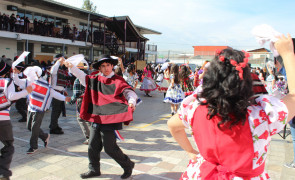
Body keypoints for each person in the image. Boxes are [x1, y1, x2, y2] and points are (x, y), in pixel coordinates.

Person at [167, 34, 295, 179]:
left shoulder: (194, 109)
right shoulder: (262, 116)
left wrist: (190, 151)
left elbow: (172, 125)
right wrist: (288, 53)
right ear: (246, 82)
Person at [64, 54, 137, 179]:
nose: (106, 68)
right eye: (103, 66)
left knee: (110, 148)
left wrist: (131, 101)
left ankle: (127, 164)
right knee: (92, 145)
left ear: (112, 66)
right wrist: (71, 67)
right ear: (100, 68)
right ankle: (94, 169)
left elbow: (129, 92)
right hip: (97, 117)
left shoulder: (118, 80)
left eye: (108, 65)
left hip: (110, 118)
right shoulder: (94, 79)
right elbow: (82, 77)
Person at [13, 66, 71, 154]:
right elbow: (17, 81)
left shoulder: (45, 84)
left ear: (37, 73)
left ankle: (33, 146)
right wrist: (15, 73)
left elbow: (53, 93)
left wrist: (64, 98)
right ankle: (45, 136)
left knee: (34, 127)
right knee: (29, 127)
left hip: (40, 109)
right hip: (31, 107)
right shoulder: (28, 82)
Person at [0, 60, 32, 180]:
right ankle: (3, 172)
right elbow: (12, 96)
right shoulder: (7, 81)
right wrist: (26, 92)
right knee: (8, 146)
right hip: (3, 118)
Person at [68, 61, 91, 145]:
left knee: (81, 119)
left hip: (82, 101)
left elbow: (77, 93)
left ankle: (89, 137)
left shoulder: (78, 79)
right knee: (88, 119)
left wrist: (70, 101)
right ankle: (94, 136)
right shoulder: (88, 76)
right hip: (89, 99)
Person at [49, 54, 69, 134]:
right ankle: (53, 127)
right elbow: (53, 71)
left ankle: (54, 124)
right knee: (56, 110)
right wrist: (58, 62)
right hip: (55, 92)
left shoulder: (63, 69)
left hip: (60, 92)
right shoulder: (55, 67)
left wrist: (64, 90)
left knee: (59, 110)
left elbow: (64, 80)